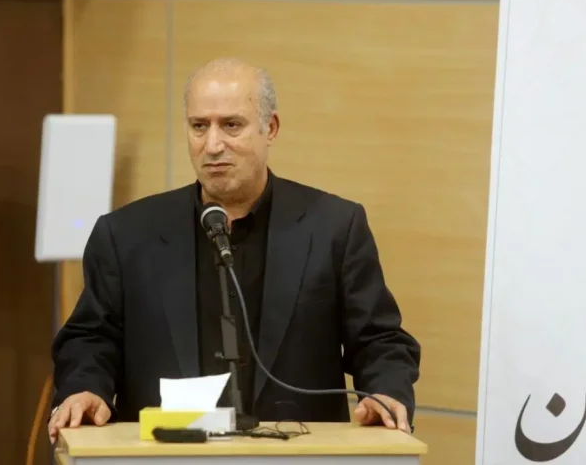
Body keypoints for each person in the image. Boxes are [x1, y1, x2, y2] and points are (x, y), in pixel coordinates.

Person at [48, 58, 421, 444]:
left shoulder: (333, 228)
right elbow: (90, 337)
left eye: (231, 125)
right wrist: (84, 387)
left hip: (296, 451)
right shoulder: (126, 233)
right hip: (168, 451)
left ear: (269, 128)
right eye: (199, 126)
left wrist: (386, 392)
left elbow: (379, 339)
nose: (212, 145)